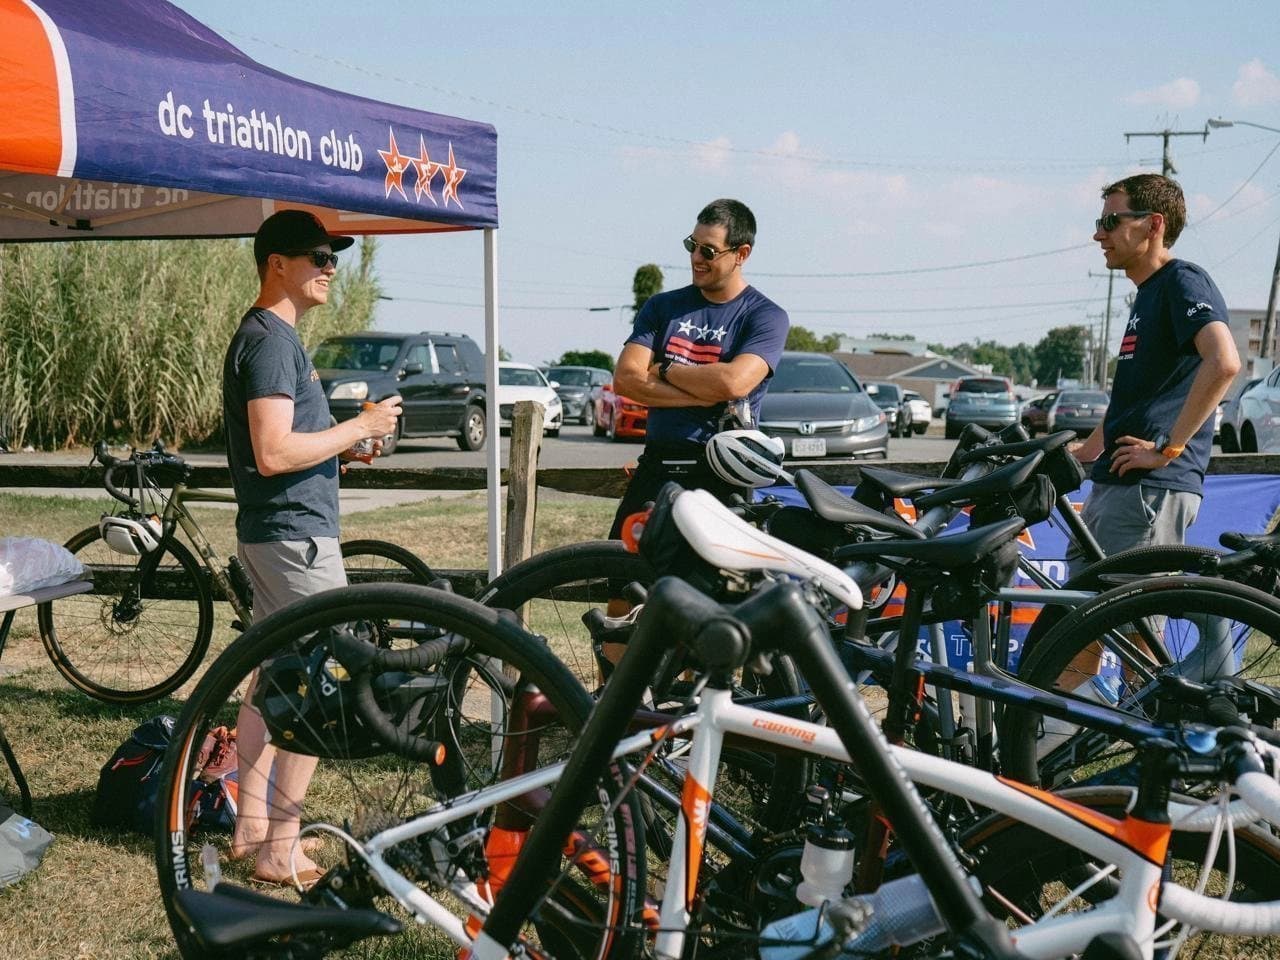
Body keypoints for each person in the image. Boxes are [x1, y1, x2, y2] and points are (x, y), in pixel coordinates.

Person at [223, 209, 401, 886]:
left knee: (270, 675)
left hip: (277, 531)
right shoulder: (271, 341)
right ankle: (279, 848)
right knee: (323, 685)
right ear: (278, 264)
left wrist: (342, 448)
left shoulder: (268, 336)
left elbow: (286, 448)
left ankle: (250, 827)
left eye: (334, 259)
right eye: (319, 258)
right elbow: (271, 452)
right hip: (294, 535)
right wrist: (358, 425)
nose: (331, 269)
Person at [1067, 173, 1241, 576]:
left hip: (1150, 489)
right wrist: (1090, 450)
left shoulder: (1182, 281)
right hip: (1118, 484)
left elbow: (1224, 362)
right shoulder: (1148, 293)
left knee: (1135, 632)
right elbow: (1140, 396)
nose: (1099, 235)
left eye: (1111, 221)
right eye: (1099, 223)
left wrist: (1168, 449)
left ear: (1154, 224)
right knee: (1073, 628)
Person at [608, 198, 789, 542]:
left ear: (742, 253)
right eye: (692, 245)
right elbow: (627, 379)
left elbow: (733, 383)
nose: (695, 258)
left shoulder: (766, 316)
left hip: (723, 475)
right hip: (658, 467)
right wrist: (705, 398)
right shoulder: (662, 306)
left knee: (708, 590)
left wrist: (664, 369)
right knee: (620, 579)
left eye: (708, 250)